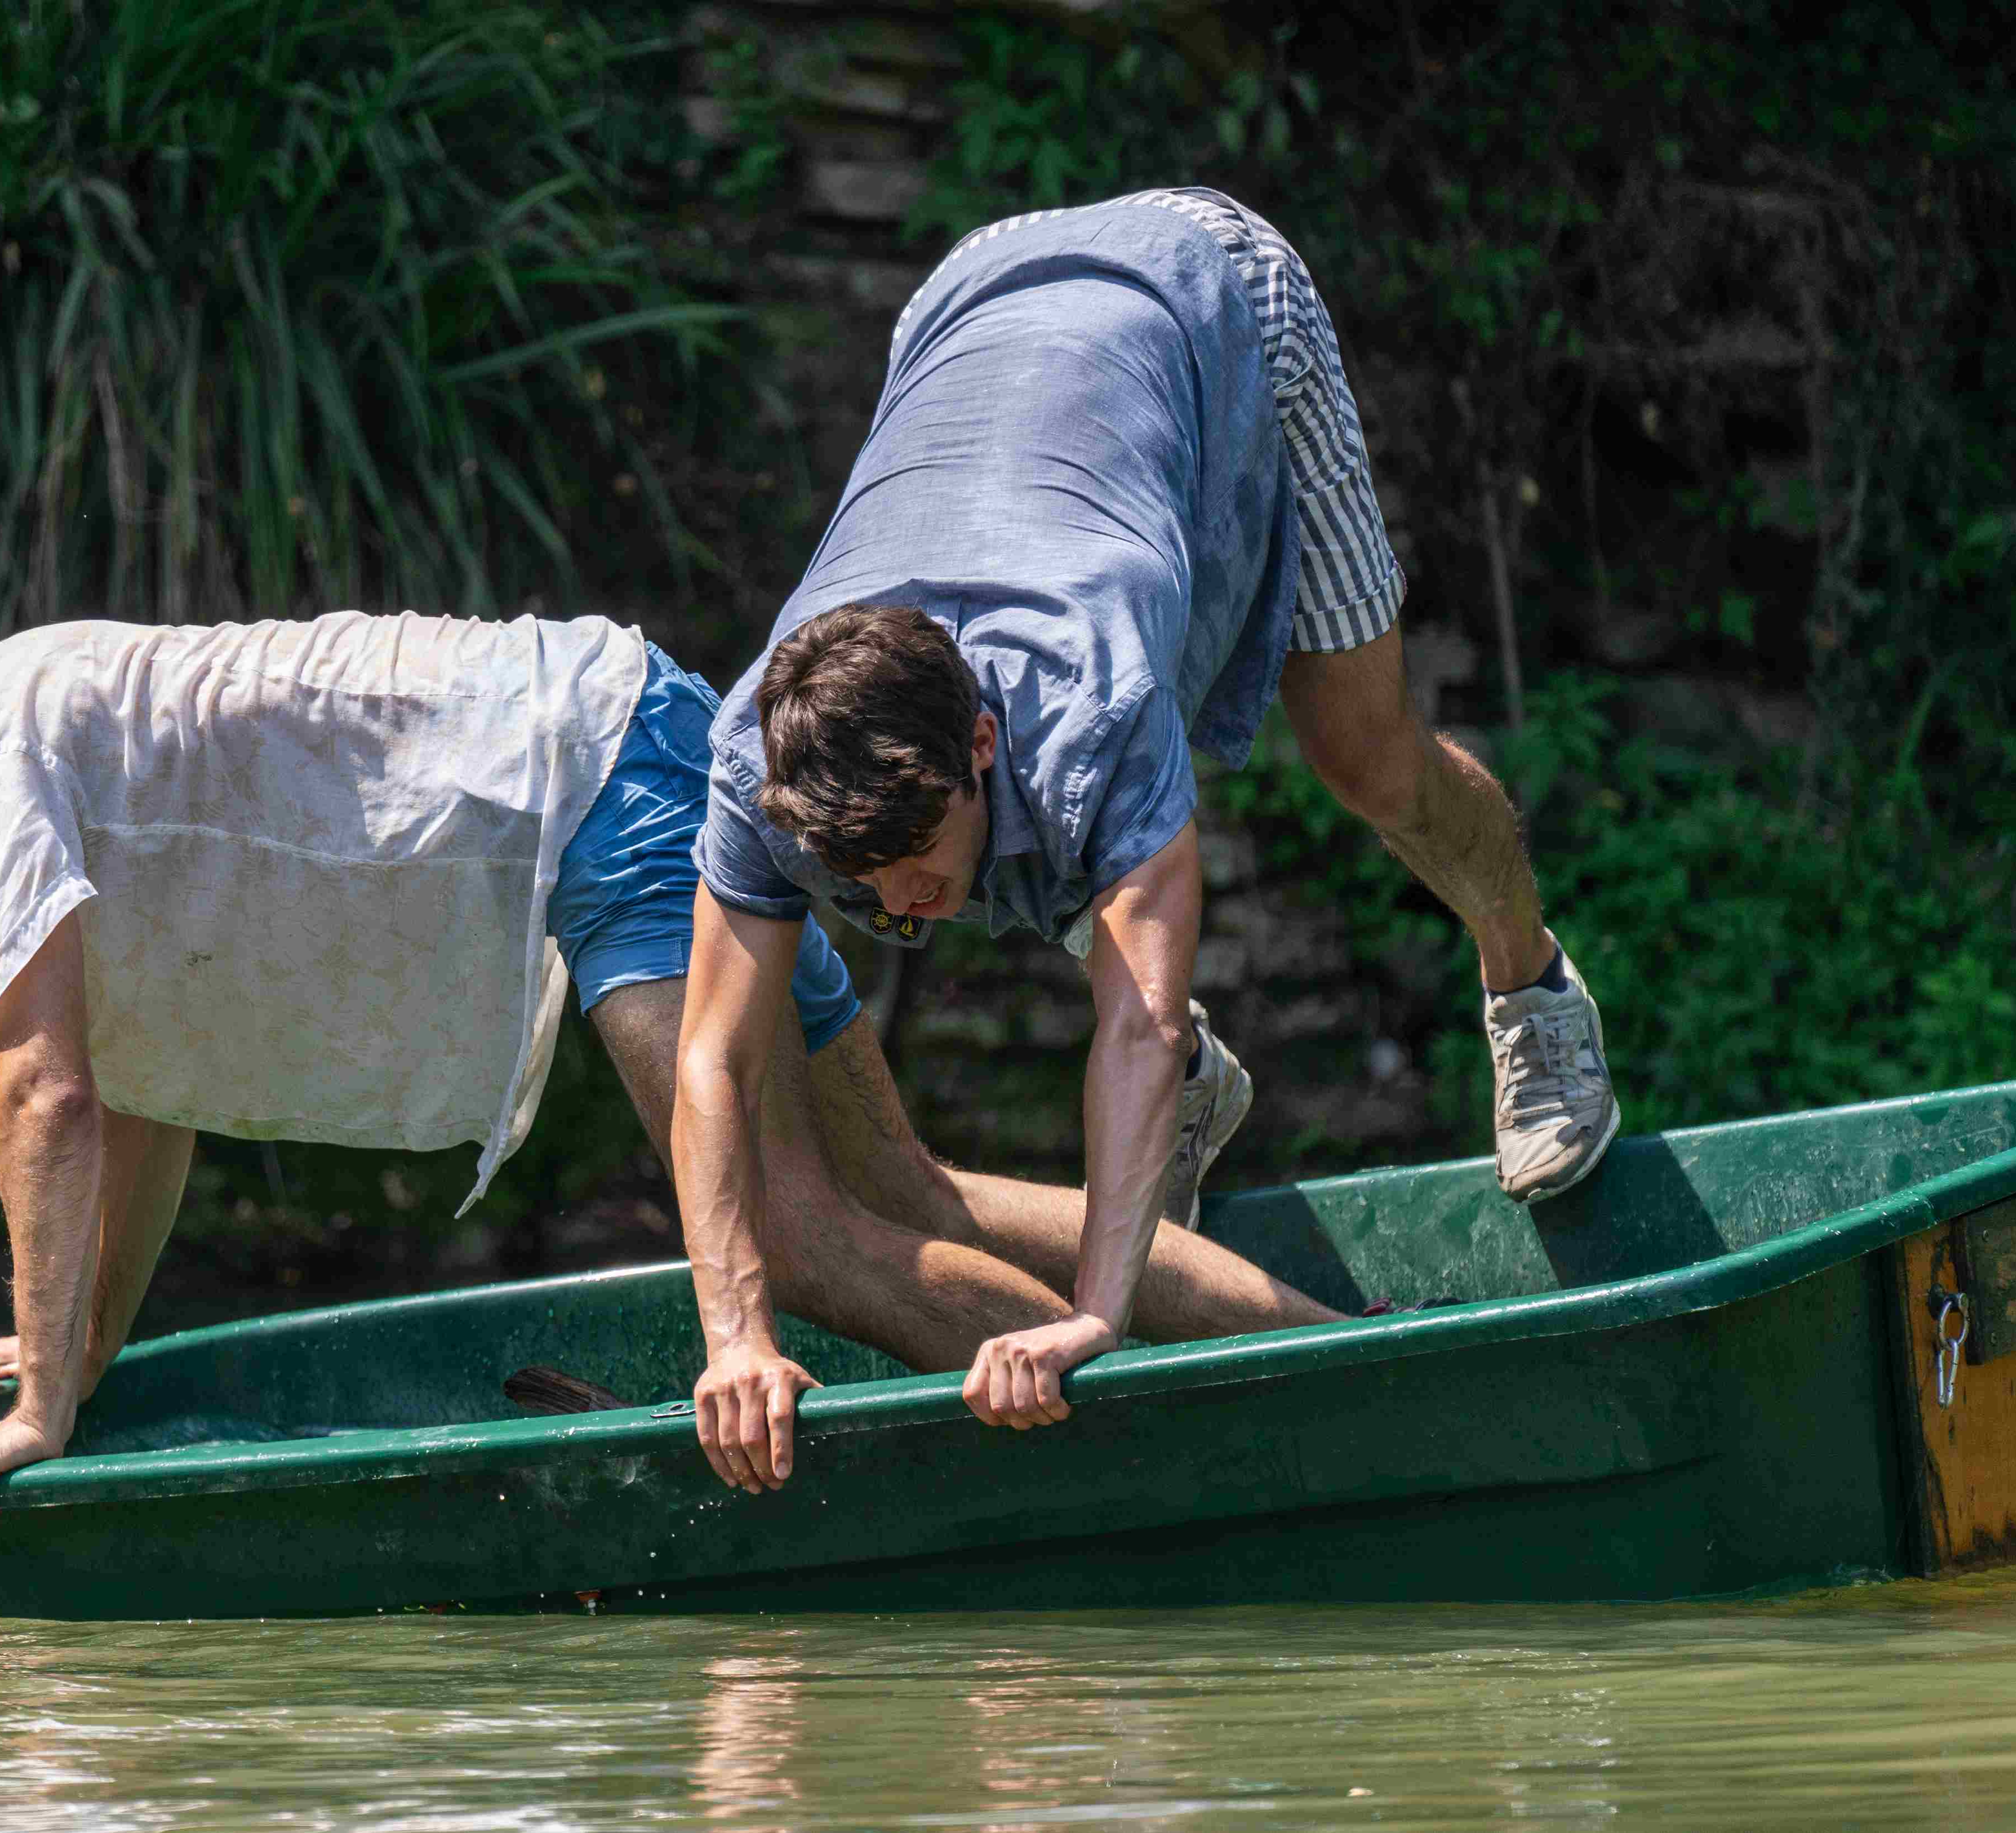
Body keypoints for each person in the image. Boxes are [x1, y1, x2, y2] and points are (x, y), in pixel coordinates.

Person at [0, 612, 1345, 1524]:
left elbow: (47, 1095)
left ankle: (1233, 1461)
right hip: (629, 739)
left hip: (590, 789)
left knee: (797, 1241)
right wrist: (65, 1354)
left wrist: (33, 1420)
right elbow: (138, 1103)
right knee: (914, 1197)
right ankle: (1349, 1374)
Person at [676, 188, 1619, 1485]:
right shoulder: (754, 760)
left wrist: (1094, 1316)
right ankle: (1184, 1110)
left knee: (1366, 758)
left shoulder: (1093, 703)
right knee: (1037, 859)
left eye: (915, 856)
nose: (899, 906)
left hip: (1214, 293)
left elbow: (1138, 1016)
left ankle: (1534, 983)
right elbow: (714, 1064)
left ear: (984, 741)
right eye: (863, 876)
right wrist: (736, 1335)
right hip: (972, 294)